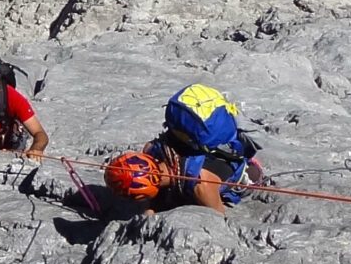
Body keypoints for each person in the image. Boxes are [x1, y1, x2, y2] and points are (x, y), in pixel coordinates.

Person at [105, 83, 264, 215]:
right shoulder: (150, 149)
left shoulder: (202, 186)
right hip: (196, 150)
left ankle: (245, 171)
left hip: (230, 169)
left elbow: (219, 220)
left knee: (246, 177)